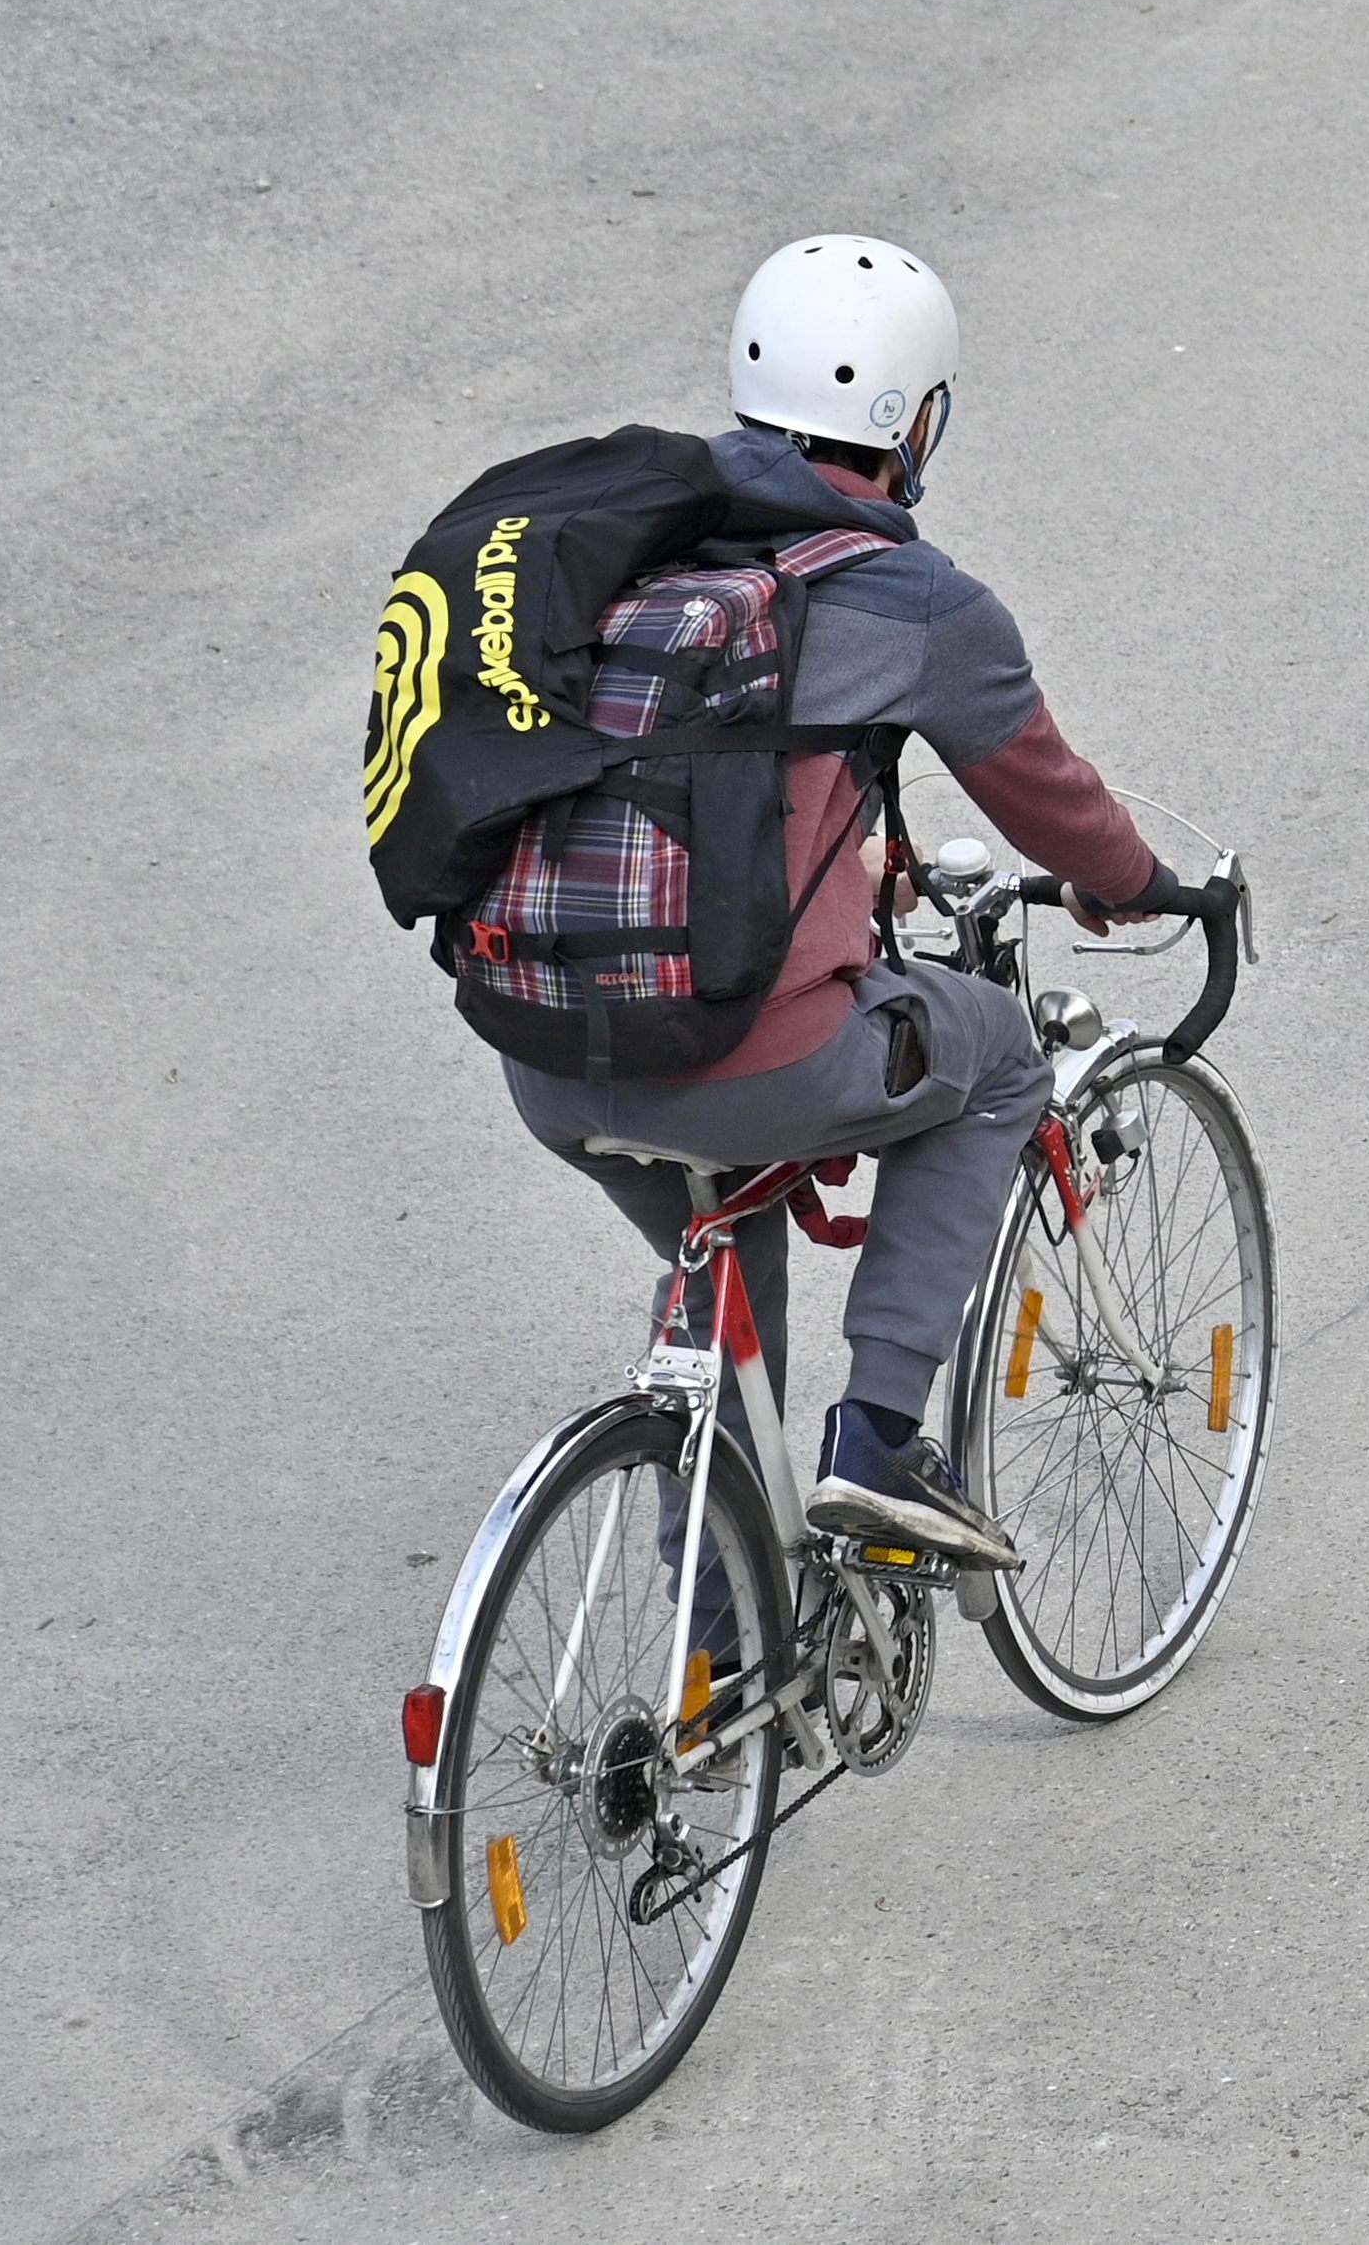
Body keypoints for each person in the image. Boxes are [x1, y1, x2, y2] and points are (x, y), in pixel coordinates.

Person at [501, 236, 1220, 1566]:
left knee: (728, 1267)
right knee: (999, 1059)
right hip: (739, 1055)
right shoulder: (912, 598)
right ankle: (882, 1442)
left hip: (544, 1051)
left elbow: (683, 791)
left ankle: (715, 1662)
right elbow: (1053, 803)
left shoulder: (631, 548)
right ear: (916, 421)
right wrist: (1149, 889)